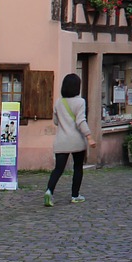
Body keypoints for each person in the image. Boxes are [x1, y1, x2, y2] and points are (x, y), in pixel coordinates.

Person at [45, 73, 96, 206]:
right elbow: (81, 121)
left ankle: (49, 191)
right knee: (78, 168)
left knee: (58, 169)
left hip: (61, 140)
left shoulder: (58, 102)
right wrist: (89, 137)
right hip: (76, 140)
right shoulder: (80, 102)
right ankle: (75, 195)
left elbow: (56, 121)